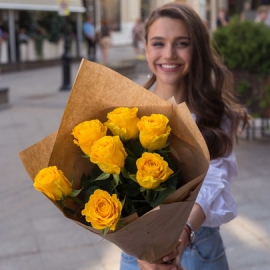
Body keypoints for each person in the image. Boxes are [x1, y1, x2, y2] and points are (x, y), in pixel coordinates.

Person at [120, 2, 249, 270]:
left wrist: (182, 234)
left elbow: (214, 181)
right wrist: (141, 250)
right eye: (158, 43)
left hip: (197, 247)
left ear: (197, 49)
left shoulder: (214, 112)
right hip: (137, 256)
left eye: (181, 43)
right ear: (145, 48)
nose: (169, 54)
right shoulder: (125, 114)